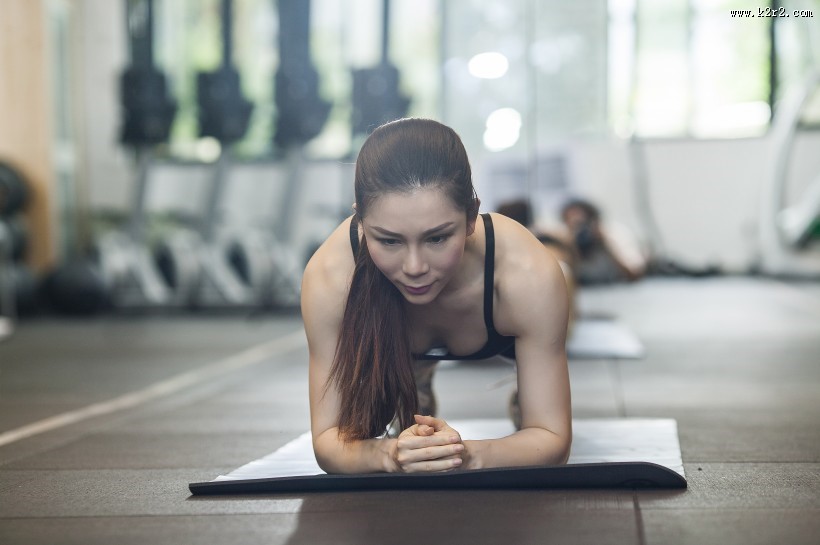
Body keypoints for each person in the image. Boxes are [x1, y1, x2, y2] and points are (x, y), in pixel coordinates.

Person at [301, 118, 571, 474]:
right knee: (374, 417)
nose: (414, 267)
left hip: (499, 316)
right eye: (389, 240)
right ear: (361, 222)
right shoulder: (331, 277)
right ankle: (413, 376)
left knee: (562, 280)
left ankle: (519, 389)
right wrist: (390, 454)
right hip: (394, 327)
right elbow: (328, 441)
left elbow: (551, 437)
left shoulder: (525, 273)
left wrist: (460, 454)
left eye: (437, 238)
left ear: (472, 216)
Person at [559, 199, 647, 285]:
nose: (578, 230)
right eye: (572, 225)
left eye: (580, 224)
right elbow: (567, 281)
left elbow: (634, 274)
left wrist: (606, 243)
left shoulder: (614, 234)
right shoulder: (566, 241)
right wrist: (571, 249)